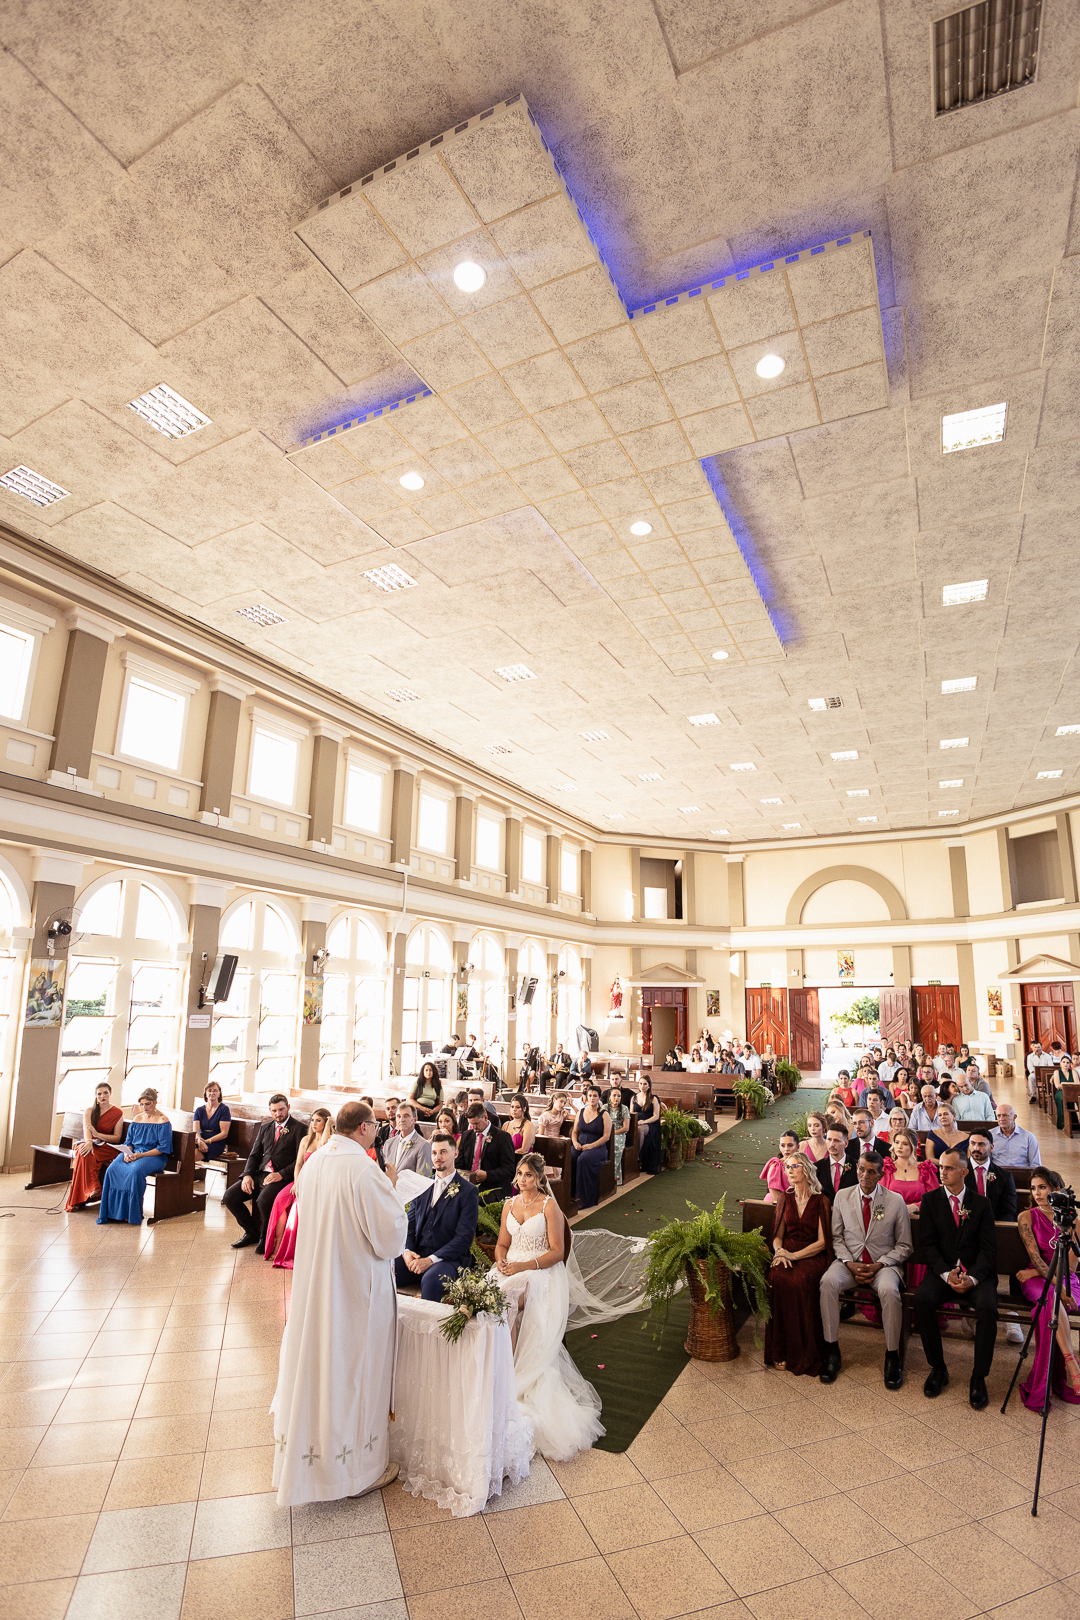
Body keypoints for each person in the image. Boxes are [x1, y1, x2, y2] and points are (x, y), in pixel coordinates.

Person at [271, 1101, 407, 1506]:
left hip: (317, 1284)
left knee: (322, 1369)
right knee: (354, 1372)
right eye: (375, 1126)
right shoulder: (364, 1170)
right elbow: (390, 1239)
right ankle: (357, 1472)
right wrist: (392, 1187)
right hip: (354, 1288)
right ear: (363, 1128)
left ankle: (316, 1465)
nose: (377, 1132)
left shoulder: (315, 1162)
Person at [488, 1153, 603, 1459]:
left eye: (528, 1175)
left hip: (540, 1271)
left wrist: (524, 1266)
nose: (522, 1180)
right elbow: (502, 1243)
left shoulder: (549, 1206)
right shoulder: (509, 1205)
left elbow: (557, 1252)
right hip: (511, 1268)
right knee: (487, 1299)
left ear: (539, 1178)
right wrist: (501, 1260)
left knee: (506, 1301)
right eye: (519, 1174)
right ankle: (494, 1361)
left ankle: (510, 1371)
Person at [819, 1151, 912, 1390]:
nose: (865, 1175)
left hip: (882, 1265)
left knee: (890, 1291)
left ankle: (892, 1356)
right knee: (828, 1283)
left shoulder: (895, 1201)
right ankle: (832, 1350)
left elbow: (904, 1245)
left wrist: (880, 1264)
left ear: (880, 1174)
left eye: (871, 1172)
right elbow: (836, 1237)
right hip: (849, 1262)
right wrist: (848, 1262)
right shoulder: (842, 1196)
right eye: (861, 1169)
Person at [913, 1148, 998, 1408]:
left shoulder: (981, 1204)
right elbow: (928, 1244)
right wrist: (944, 1272)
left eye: (949, 1168)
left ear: (964, 1172)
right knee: (922, 1299)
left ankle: (978, 1377)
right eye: (941, 1167)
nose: (943, 1172)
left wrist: (972, 1278)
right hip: (944, 1273)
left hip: (976, 1275)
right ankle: (938, 1368)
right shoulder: (930, 1200)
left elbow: (988, 1249)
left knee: (987, 1307)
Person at [1016, 1168, 1080, 1410]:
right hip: (1040, 1281)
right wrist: (1054, 1285)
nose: (1037, 1193)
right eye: (1033, 1188)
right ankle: (1071, 1363)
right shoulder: (1026, 1217)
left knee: (1046, 1308)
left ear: (1056, 1189)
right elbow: (1036, 1258)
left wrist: (1041, 1275)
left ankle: (1046, 1383)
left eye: (1042, 1187)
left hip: (1065, 1279)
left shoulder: (1073, 1221)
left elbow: (1071, 1267)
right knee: (1052, 1298)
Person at [764, 1154, 832, 1376]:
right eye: (787, 1167)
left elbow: (822, 1243)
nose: (790, 1170)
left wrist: (794, 1256)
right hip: (787, 1250)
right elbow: (777, 1235)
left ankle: (803, 1354)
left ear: (807, 1169)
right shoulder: (785, 1197)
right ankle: (779, 1349)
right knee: (777, 1277)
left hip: (812, 1254)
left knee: (799, 1281)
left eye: (795, 1166)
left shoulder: (821, 1200)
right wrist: (780, 1252)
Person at [395, 1132, 479, 1301]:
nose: (437, 1157)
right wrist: (407, 1251)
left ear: (455, 1153)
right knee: (385, 1269)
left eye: (443, 1152)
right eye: (434, 1153)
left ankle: (425, 1320)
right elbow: (409, 1225)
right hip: (417, 1254)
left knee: (431, 1281)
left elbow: (464, 1238)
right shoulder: (422, 1185)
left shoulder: (468, 1191)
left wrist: (431, 1260)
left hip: (449, 1260)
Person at [223, 1094, 306, 1252]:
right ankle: (251, 1232)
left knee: (263, 1200)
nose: (278, 1114)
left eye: (281, 1109)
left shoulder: (300, 1129)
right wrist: (247, 1175)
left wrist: (281, 1174)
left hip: (281, 1176)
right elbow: (254, 1155)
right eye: (274, 1111)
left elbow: (300, 1159)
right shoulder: (265, 1128)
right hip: (260, 1173)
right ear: (270, 1110)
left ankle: (264, 1237)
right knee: (230, 1197)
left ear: (288, 1107)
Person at [265, 1107, 334, 1269]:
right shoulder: (306, 1140)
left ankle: (291, 1250)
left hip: (319, 1183)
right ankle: (277, 1245)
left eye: (319, 1121)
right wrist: (297, 1183)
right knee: (279, 1200)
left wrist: (330, 1124)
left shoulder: (330, 1141)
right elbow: (299, 1164)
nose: (314, 1124)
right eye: (312, 1120)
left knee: (297, 1207)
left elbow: (324, 1146)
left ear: (326, 1123)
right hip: (302, 1180)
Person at [96, 1088, 174, 1225]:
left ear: (155, 1102)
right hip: (135, 1153)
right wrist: (127, 1153)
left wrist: (140, 1155)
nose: (144, 1107)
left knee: (134, 1172)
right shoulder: (137, 1118)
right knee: (112, 1169)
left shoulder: (163, 1120)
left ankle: (131, 1213)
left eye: (147, 1104)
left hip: (154, 1156)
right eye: (142, 1104)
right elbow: (129, 1142)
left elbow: (162, 1148)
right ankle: (111, 1212)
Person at [66, 1081, 124, 1210]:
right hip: (91, 1144)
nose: (102, 1096)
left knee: (85, 1154)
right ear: (96, 1096)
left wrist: (97, 1135)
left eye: (105, 1093)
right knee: (84, 1153)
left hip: (107, 1147)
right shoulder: (89, 1111)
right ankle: (93, 1188)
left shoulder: (118, 1112)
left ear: (110, 1094)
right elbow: (87, 1130)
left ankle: (81, 1198)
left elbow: (116, 1138)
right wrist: (89, 1142)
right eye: (99, 1094)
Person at [456, 1102, 516, 1200]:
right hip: (469, 1183)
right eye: (471, 1124)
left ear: (485, 1117)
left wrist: (487, 1175)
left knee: (475, 1199)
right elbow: (459, 1164)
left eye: (476, 1123)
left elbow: (509, 1169)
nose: (474, 1127)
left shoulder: (502, 1137)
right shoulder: (466, 1136)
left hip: (493, 1186)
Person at [571, 1083, 611, 1210]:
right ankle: (570, 1194)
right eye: (590, 1095)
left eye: (595, 1096)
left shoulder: (604, 1114)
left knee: (583, 1159)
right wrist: (575, 1143)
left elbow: (606, 1136)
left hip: (597, 1147)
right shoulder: (581, 1112)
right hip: (580, 1145)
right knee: (571, 1156)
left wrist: (591, 1146)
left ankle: (584, 1198)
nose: (592, 1098)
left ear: (599, 1097)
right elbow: (574, 1132)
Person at [964, 1127, 1017, 1220]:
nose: (976, 1148)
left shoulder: (1004, 1176)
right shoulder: (959, 1173)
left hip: (994, 1224)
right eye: (973, 1143)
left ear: (991, 1147)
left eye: (981, 1144)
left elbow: (1009, 1210)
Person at [383, 1103, 433, 1178]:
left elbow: (423, 1178)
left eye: (406, 1116)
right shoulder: (389, 1143)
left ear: (415, 1119)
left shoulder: (423, 1145)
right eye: (399, 1116)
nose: (401, 1120)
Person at [818, 1125, 860, 1205]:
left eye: (837, 1140)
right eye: (829, 1139)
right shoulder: (817, 1167)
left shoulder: (856, 1166)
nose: (832, 1144)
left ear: (846, 1143)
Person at [990, 1103, 1041, 1169]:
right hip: (998, 1173)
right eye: (999, 1116)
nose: (1001, 1119)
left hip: (1021, 1174)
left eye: (1005, 1115)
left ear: (1014, 1117)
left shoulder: (1028, 1137)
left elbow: (1036, 1165)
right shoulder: (990, 1135)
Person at [193, 1079, 232, 1162]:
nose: (212, 1093)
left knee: (190, 1157)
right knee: (185, 1151)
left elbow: (224, 1133)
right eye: (209, 1091)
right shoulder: (199, 1110)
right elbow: (196, 1132)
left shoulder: (224, 1109)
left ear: (219, 1093)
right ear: (206, 1094)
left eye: (215, 1090)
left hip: (216, 1143)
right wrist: (200, 1141)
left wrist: (207, 1141)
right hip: (201, 1141)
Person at [761, 1129, 802, 1203]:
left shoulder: (803, 1164)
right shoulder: (776, 1166)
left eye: (790, 1145)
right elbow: (775, 1198)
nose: (786, 1149)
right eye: (783, 1146)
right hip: (778, 1204)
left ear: (797, 1147)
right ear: (779, 1146)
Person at [633, 1077, 662, 1175]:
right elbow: (631, 1114)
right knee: (637, 1128)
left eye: (645, 1084)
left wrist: (644, 1121)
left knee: (640, 1129)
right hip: (637, 1122)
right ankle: (634, 1157)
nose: (642, 1086)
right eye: (640, 1083)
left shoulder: (653, 1098)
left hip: (651, 1123)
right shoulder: (634, 1098)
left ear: (649, 1085)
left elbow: (656, 1116)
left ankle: (638, 1156)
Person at [925, 1101, 967, 1166]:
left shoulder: (966, 1137)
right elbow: (930, 1159)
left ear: (954, 1116)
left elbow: (969, 1159)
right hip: (938, 1169)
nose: (943, 1117)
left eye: (946, 1114)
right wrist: (947, 1165)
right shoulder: (933, 1134)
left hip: (960, 1170)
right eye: (940, 1115)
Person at [606, 1085, 631, 1184]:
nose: (616, 1098)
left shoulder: (624, 1108)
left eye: (619, 1096)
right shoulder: (604, 1107)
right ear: (609, 1097)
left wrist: (613, 1133)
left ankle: (610, 1175)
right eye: (614, 1095)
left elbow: (626, 1128)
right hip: (606, 1132)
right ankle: (604, 1174)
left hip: (619, 1134)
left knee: (615, 1145)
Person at [1050, 1053, 1080, 1133]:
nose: (1065, 1064)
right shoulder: (1057, 1072)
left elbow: (1077, 1083)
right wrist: (1070, 1084)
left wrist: (1063, 1083)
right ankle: (1063, 1123)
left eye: (1067, 1062)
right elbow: (1057, 1085)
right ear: (1060, 1063)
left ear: (1070, 1064)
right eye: (1063, 1062)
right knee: (1062, 1098)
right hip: (1061, 1092)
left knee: (1078, 1099)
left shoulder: (1073, 1072)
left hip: (1073, 1091)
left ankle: (1076, 1123)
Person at [507, 1094, 535, 1159]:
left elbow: (524, 1150)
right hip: (507, 1158)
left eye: (517, 1107)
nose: (514, 1109)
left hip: (522, 1159)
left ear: (524, 1109)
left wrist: (507, 1155)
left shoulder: (528, 1125)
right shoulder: (506, 1125)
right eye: (512, 1107)